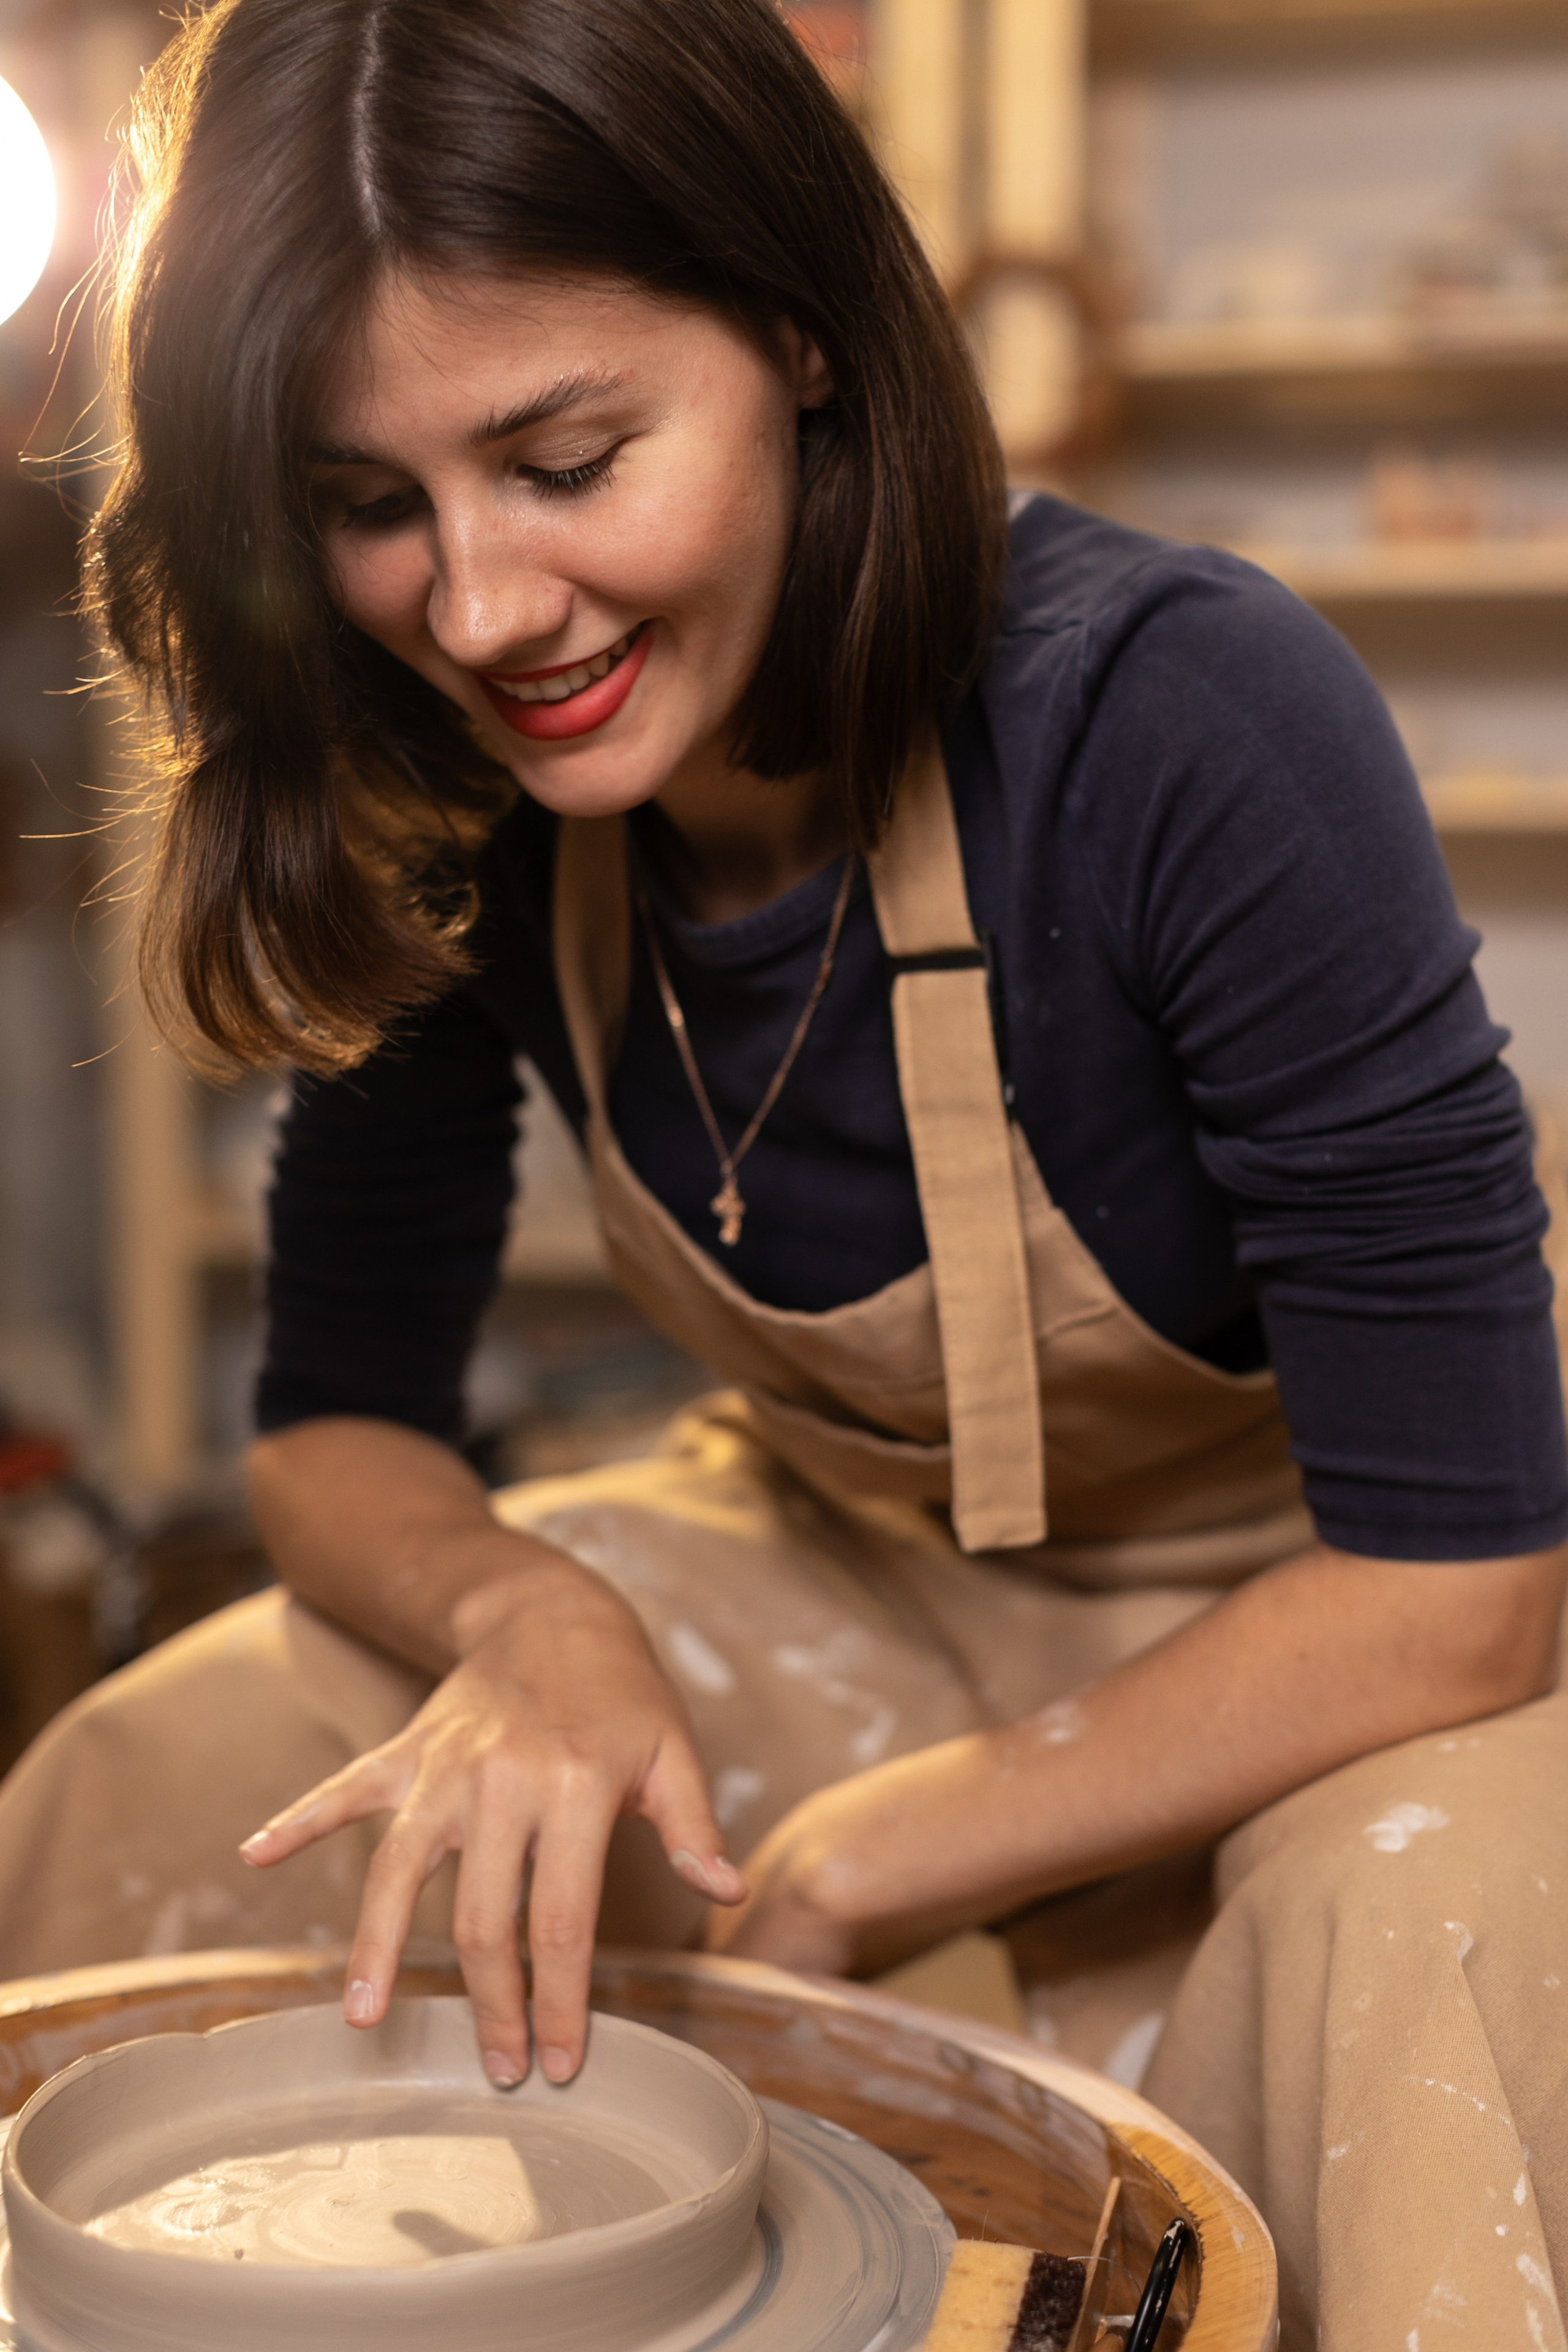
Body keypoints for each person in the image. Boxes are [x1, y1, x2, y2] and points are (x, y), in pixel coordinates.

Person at [1, 0, 1564, 2340]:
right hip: (844, 1552)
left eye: (566, 456)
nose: (485, 608)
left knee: (1405, 1923)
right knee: (196, 1753)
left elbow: (1461, 1592)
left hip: (1339, 1613)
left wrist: (869, 1860)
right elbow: (335, 1425)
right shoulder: (445, 772)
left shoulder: (1185, 721)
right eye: (370, 505)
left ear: (807, 340)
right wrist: (534, 1623)